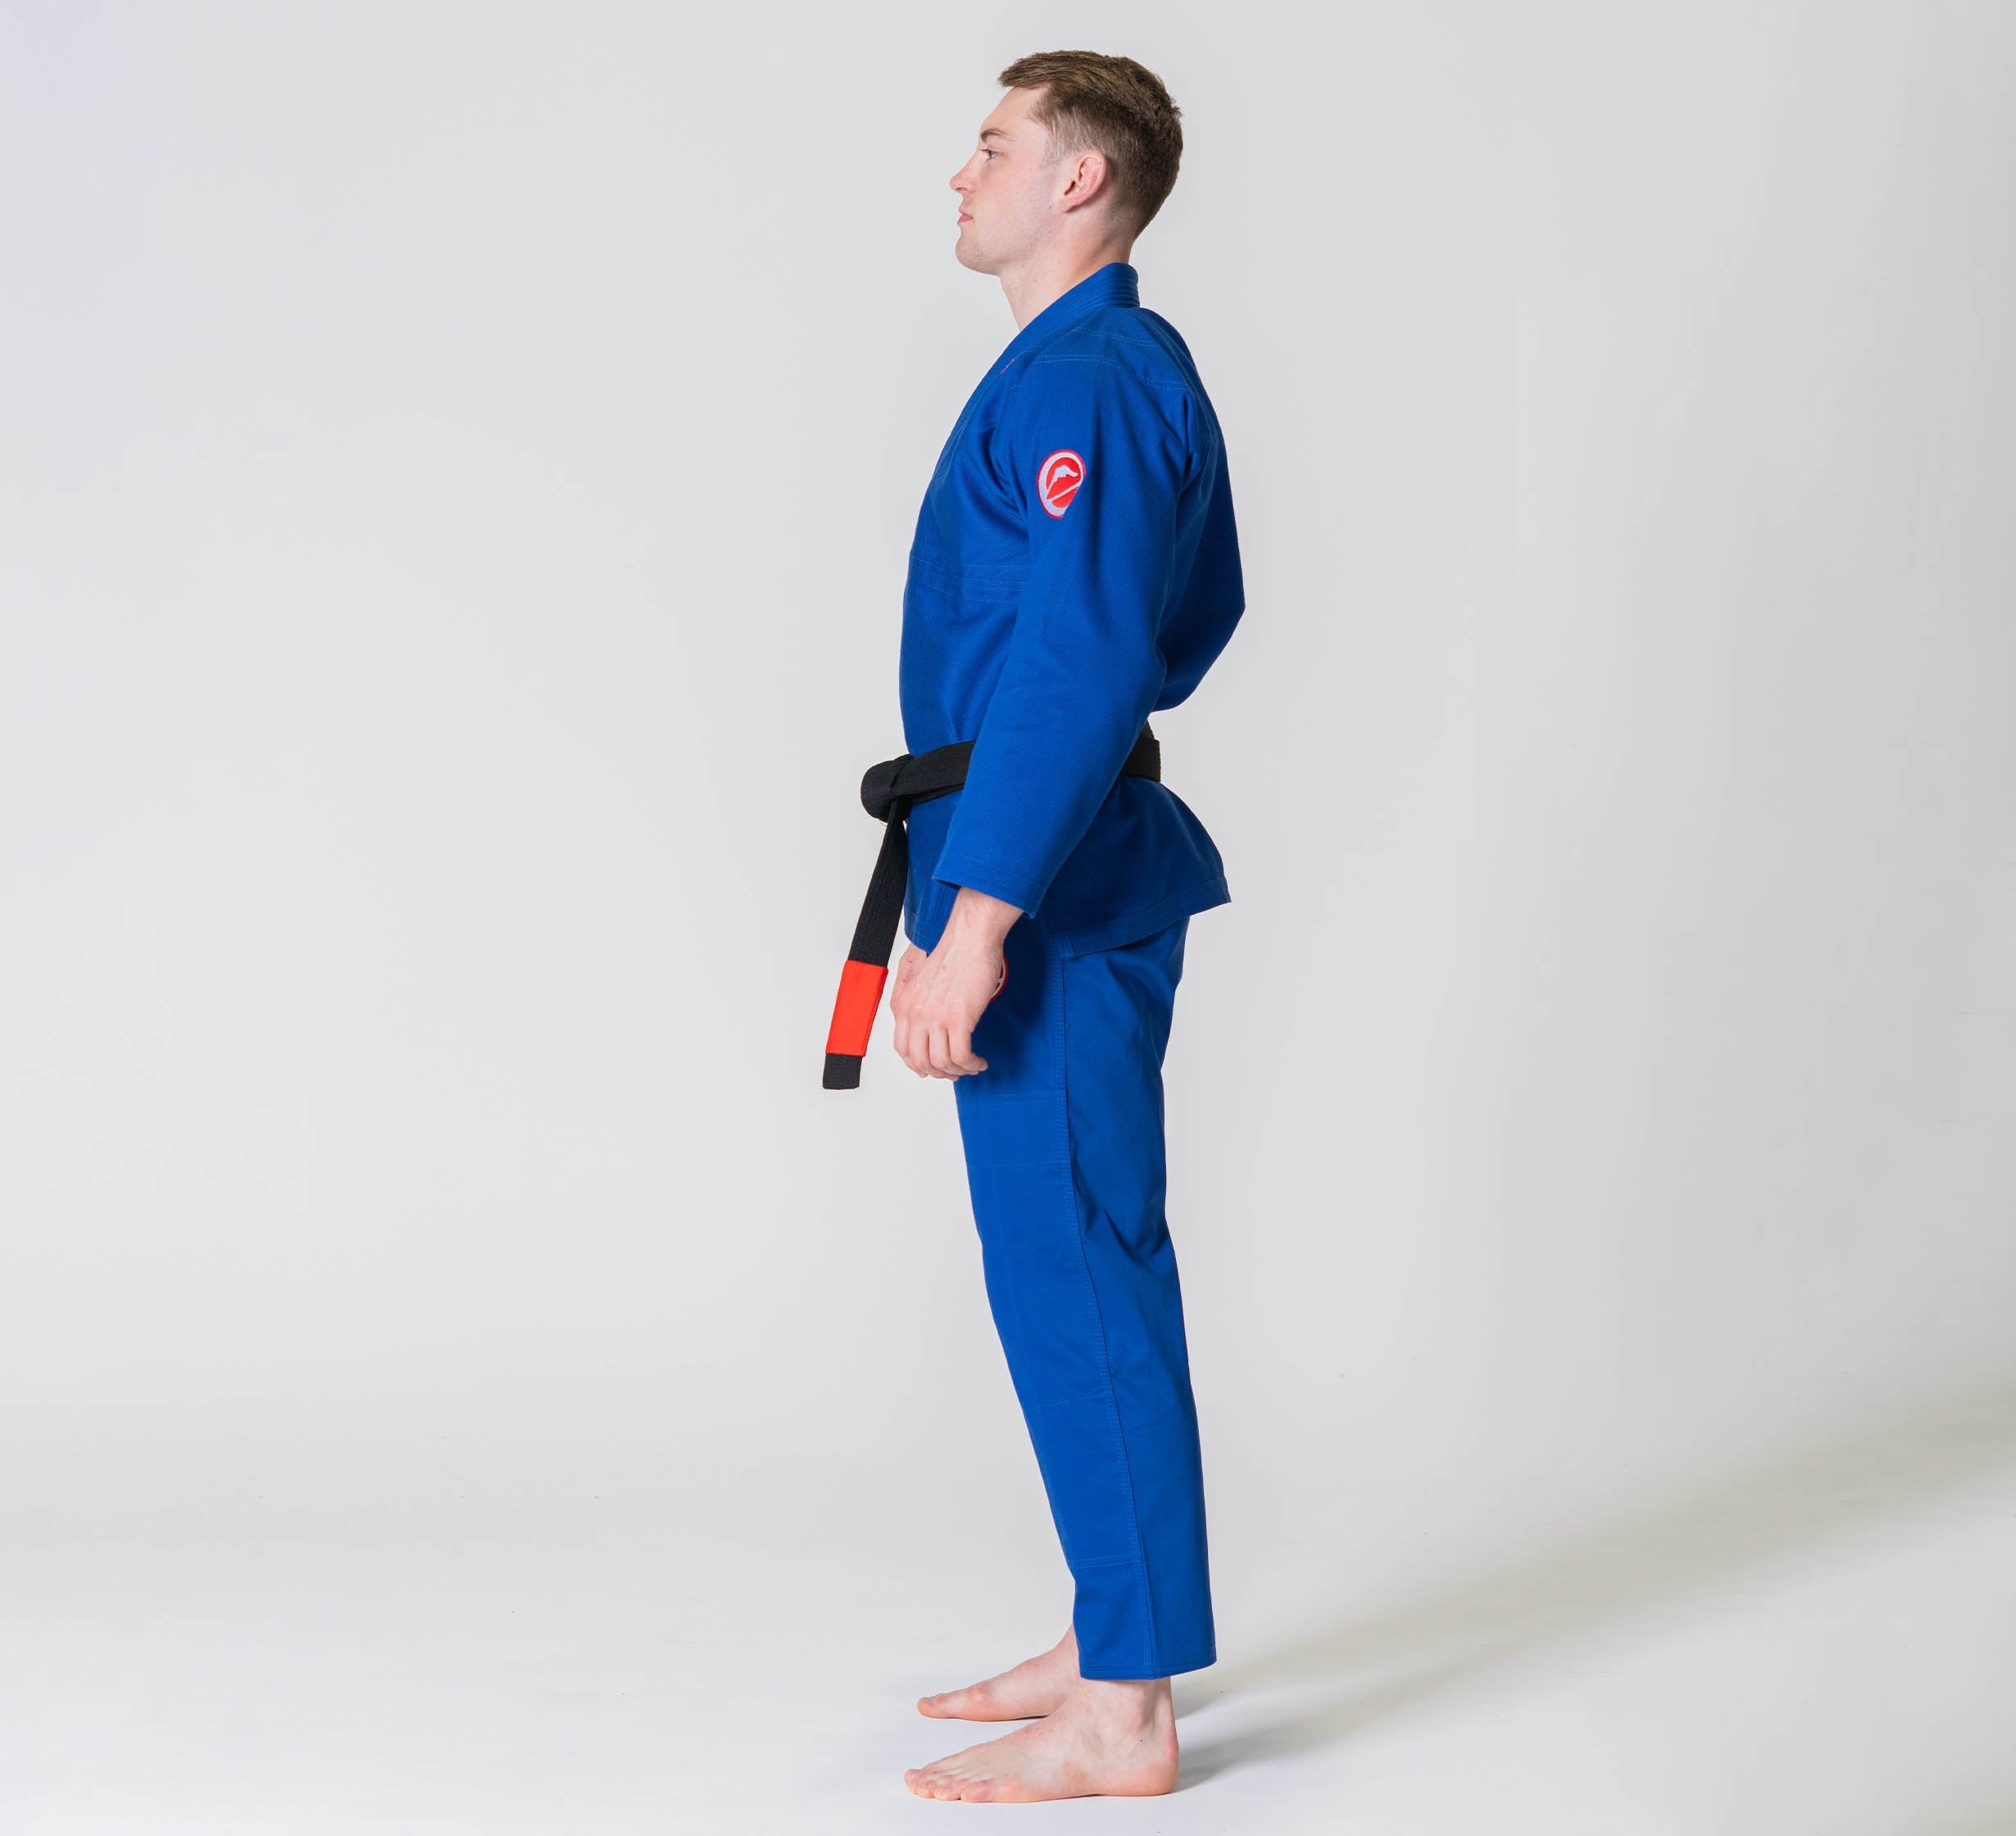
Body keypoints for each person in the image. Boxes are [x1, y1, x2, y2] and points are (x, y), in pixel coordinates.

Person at [826, 50, 1246, 1803]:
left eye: (994, 144)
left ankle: (1127, 1710)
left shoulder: (1090, 379)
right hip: (1037, 852)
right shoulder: (1097, 373)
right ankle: (1113, 1625)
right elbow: (1190, 614)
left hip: (1048, 887)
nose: (962, 172)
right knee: (1067, 1264)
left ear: (1081, 179)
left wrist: (984, 911)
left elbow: (1086, 657)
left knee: (1076, 1266)